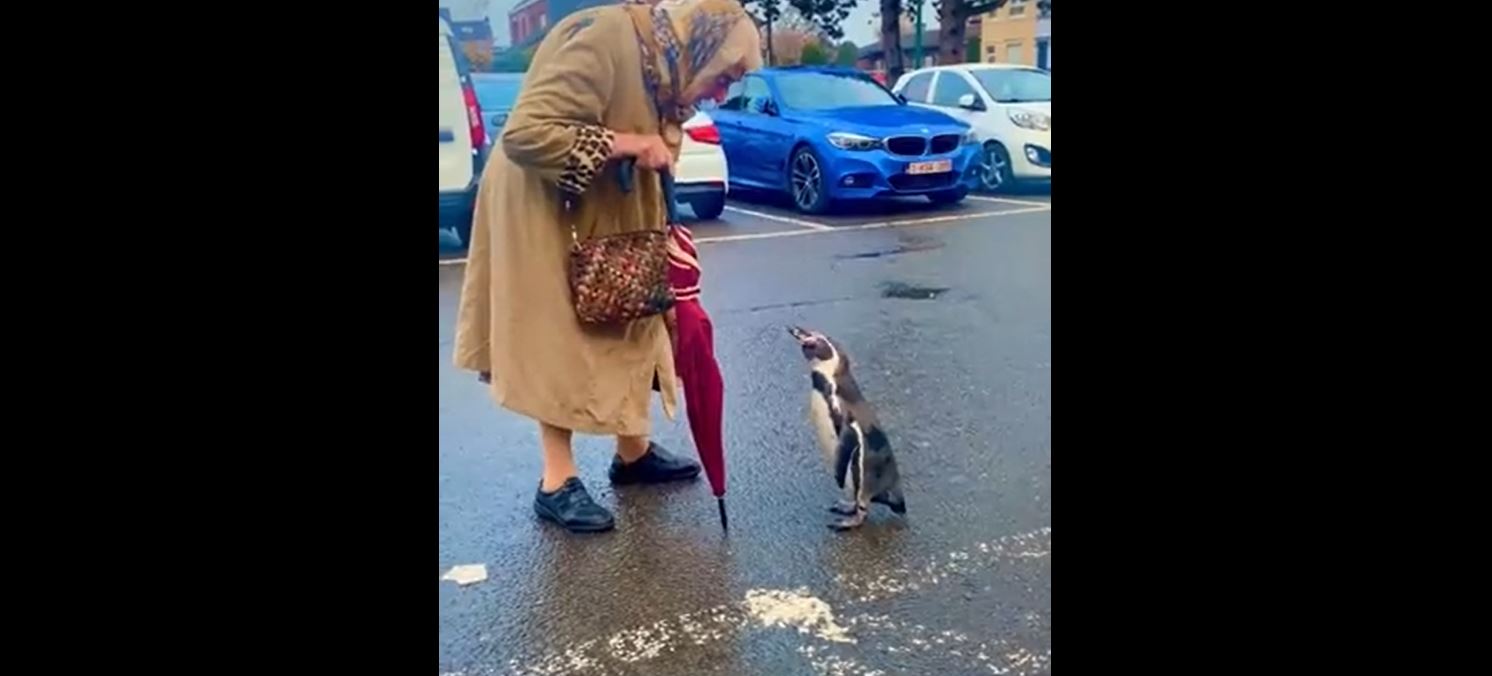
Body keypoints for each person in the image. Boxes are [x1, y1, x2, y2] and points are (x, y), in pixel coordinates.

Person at [453, 0, 763, 533]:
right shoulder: (604, 37)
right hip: (545, 206)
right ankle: (556, 482)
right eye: (724, 76)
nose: (721, 93)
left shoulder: (665, 63)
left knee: (638, 310)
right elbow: (528, 134)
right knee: (560, 334)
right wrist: (628, 144)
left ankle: (633, 453)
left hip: (609, 203)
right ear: (701, 45)